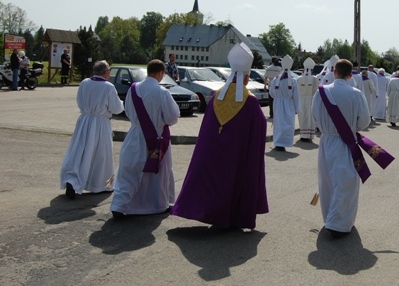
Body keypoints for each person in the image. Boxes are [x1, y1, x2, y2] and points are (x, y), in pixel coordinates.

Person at [171, 43, 268, 229]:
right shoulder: (249, 102)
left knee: (213, 180)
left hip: (213, 151)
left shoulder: (216, 96)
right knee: (233, 181)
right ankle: (232, 217)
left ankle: (208, 211)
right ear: (246, 79)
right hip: (236, 154)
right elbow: (260, 128)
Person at [110, 59, 180, 219]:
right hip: (156, 137)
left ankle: (120, 204)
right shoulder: (162, 92)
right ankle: (157, 204)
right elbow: (172, 117)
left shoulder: (133, 89)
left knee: (130, 170)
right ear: (160, 73)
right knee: (157, 173)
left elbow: (127, 111)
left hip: (134, 134)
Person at [311, 59, 370, 238]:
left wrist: (327, 129)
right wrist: (352, 128)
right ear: (350, 75)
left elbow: (314, 117)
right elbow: (365, 121)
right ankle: (338, 223)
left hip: (327, 141)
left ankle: (330, 217)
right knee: (346, 182)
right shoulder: (356, 93)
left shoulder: (320, 93)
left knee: (327, 181)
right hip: (346, 142)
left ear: (334, 72)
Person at [60, 61, 124, 199]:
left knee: (80, 151)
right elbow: (117, 108)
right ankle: (100, 184)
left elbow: (79, 100)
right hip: (100, 123)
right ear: (105, 72)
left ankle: (73, 180)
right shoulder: (108, 87)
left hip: (84, 121)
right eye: (109, 71)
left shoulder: (84, 83)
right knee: (101, 154)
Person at [269, 55, 299, 151]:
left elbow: (271, 92)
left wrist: (278, 97)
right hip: (289, 104)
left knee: (279, 123)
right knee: (288, 123)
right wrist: (297, 107)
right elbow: (296, 95)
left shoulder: (275, 79)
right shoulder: (293, 81)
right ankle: (284, 142)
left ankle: (278, 142)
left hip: (278, 103)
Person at [297, 57, 319, 141]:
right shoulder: (314, 79)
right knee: (310, 117)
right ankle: (308, 135)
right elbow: (317, 90)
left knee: (302, 117)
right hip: (311, 100)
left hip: (301, 100)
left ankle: (303, 135)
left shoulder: (298, 79)